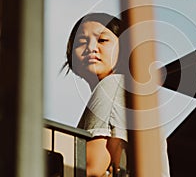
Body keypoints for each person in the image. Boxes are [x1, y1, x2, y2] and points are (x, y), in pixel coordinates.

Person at [63, 13, 170, 177]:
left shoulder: (113, 85)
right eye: (82, 42)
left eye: (102, 40)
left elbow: (91, 168)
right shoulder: (127, 90)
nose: (91, 48)